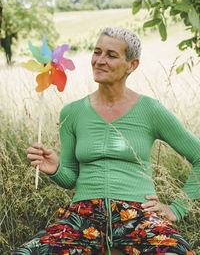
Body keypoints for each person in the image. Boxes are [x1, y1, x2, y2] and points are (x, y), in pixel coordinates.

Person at [13, 27, 200, 255]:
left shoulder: (151, 110)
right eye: (97, 52)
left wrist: (177, 209)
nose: (100, 61)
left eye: (111, 55)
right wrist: (55, 169)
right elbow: (71, 178)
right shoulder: (72, 112)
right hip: (83, 217)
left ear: (132, 65)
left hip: (138, 214)